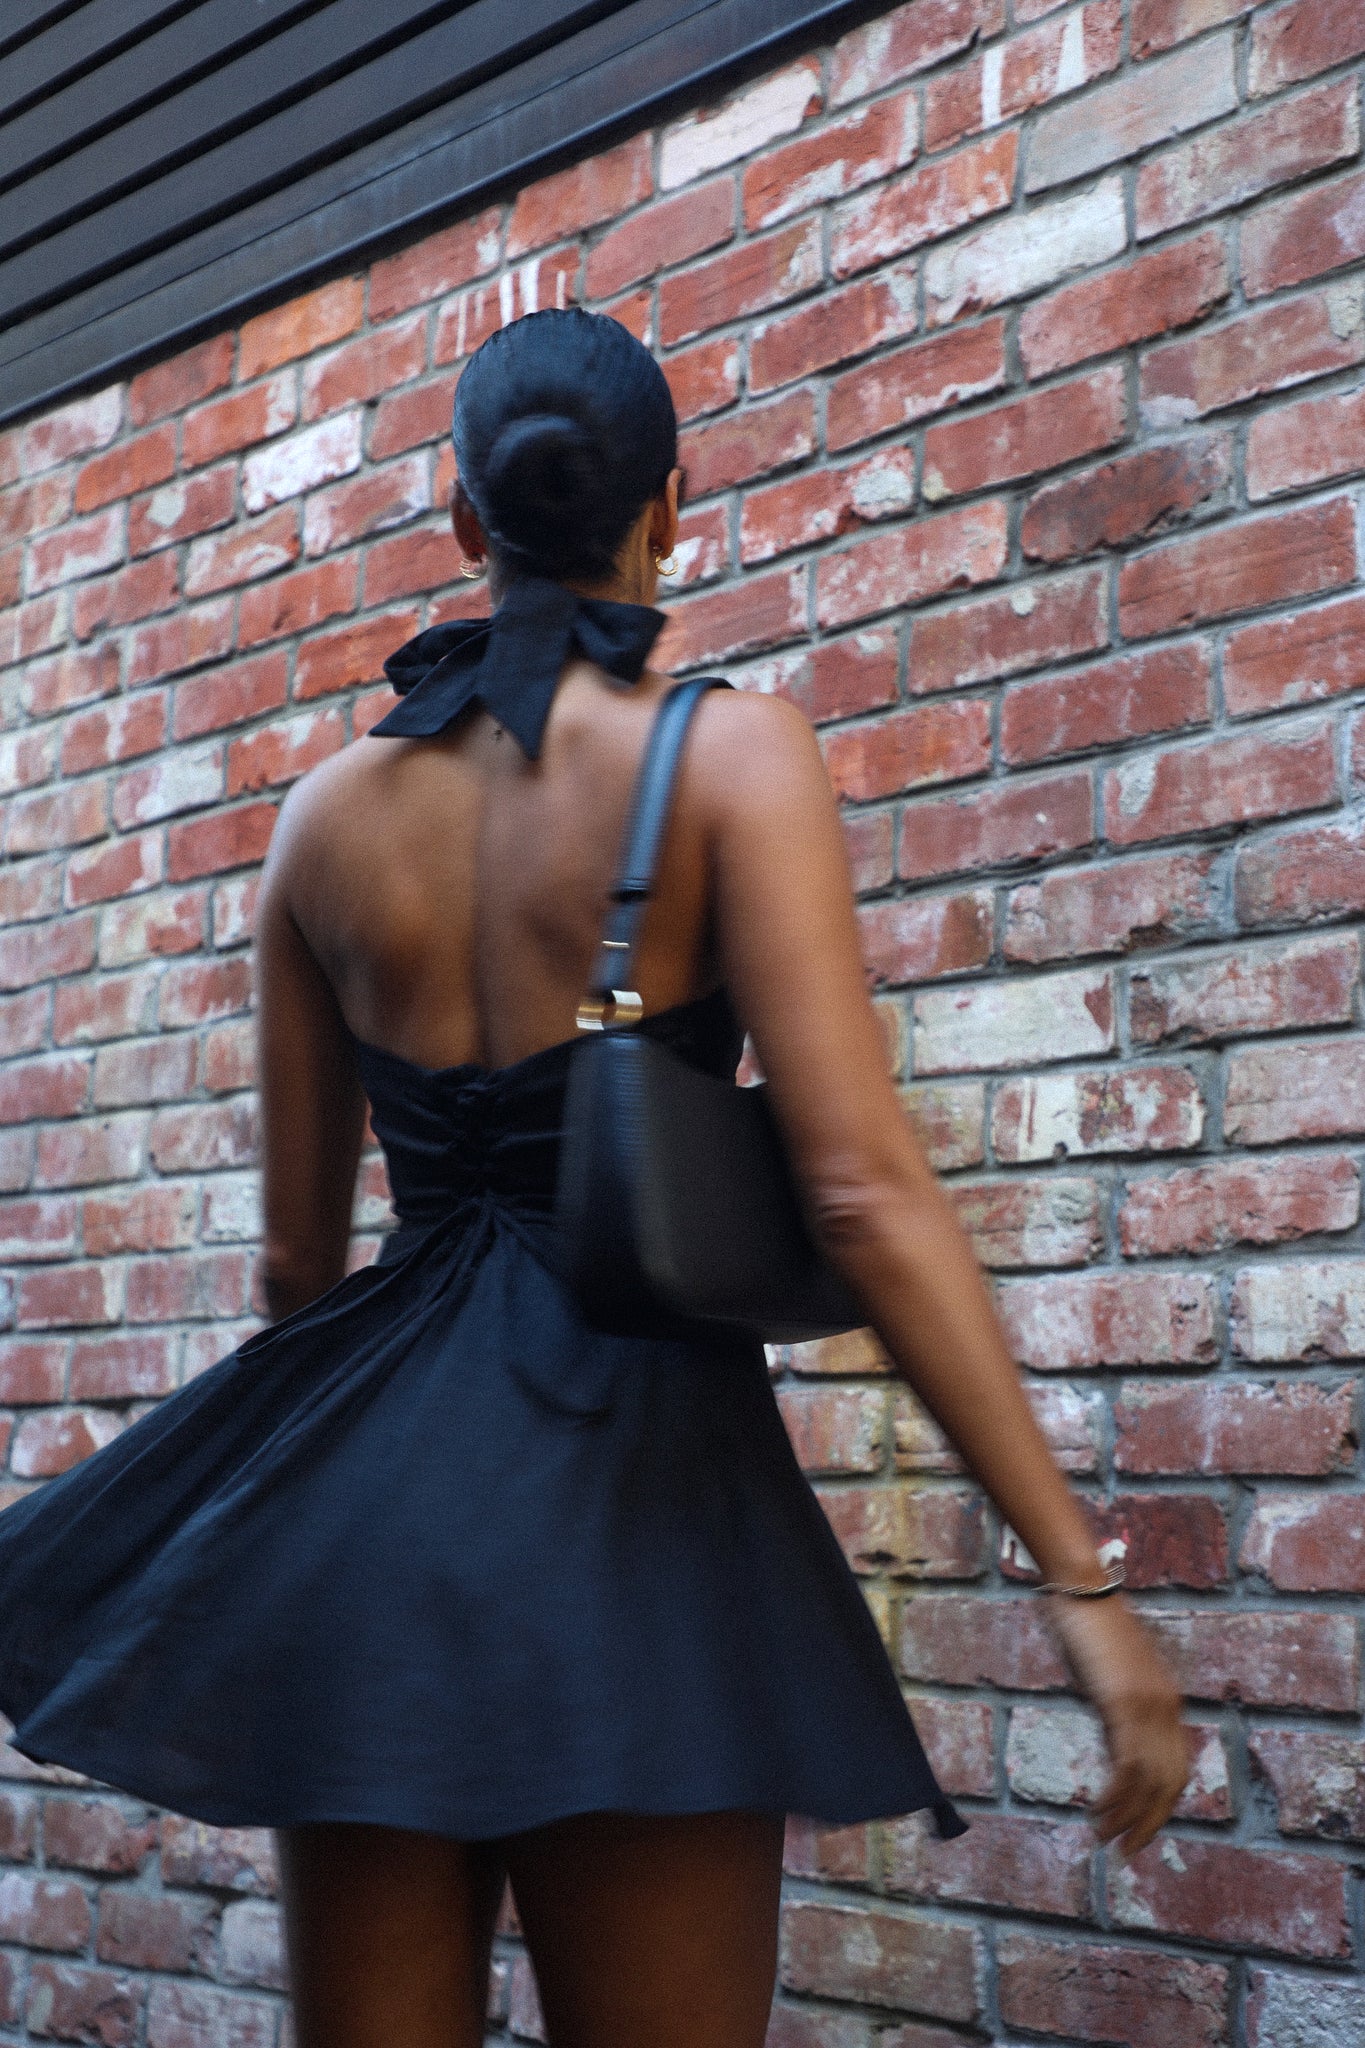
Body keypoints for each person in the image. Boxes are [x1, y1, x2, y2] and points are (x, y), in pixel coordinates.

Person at [0, 308, 1187, 2048]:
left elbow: (296, 1278)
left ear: (461, 521)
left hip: (369, 1549)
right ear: (672, 506)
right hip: (636, 1529)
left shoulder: (320, 823)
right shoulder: (731, 756)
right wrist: (1079, 1584)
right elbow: (859, 1195)